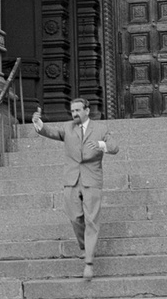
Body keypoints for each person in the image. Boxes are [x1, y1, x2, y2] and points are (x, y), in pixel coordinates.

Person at [32, 97, 119, 279]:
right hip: (71, 179)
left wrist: (101, 145)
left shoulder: (101, 129)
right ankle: (84, 245)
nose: (74, 114)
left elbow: (114, 147)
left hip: (91, 180)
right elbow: (51, 132)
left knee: (91, 220)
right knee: (74, 217)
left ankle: (89, 262)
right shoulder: (68, 127)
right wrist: (38, 124)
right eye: (72, 111)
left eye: (78, 111)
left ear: (87, 110)